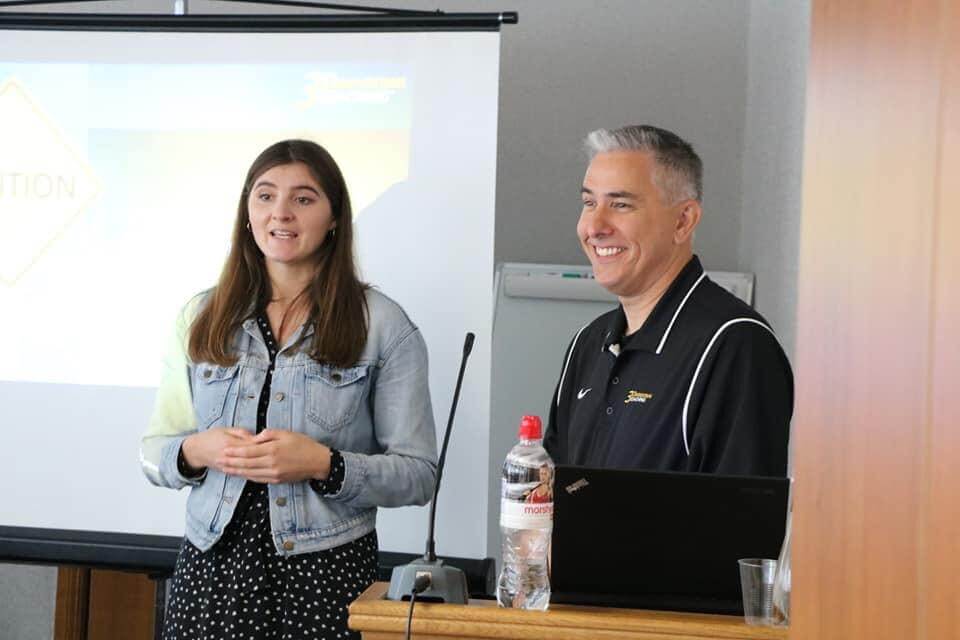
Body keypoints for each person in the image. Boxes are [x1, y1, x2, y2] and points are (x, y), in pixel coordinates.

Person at [139, 139, 438, 640]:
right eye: (265, 195)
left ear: (335, 217)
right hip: (210, 570)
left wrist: (325, 463)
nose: (281, 213)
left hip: (325, 573)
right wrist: (195, 450)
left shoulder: (384, 326)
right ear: (247, 212)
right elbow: (153, 452)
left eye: (303, 198)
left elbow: (418, 473)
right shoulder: (200, 317)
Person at [543, 125, 792, 477]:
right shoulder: (588, 343)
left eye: (620, 204)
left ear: (683, 221)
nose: (595, 226)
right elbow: (555, 500)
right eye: (589, 203)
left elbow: (742, 526)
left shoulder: (736, 346)